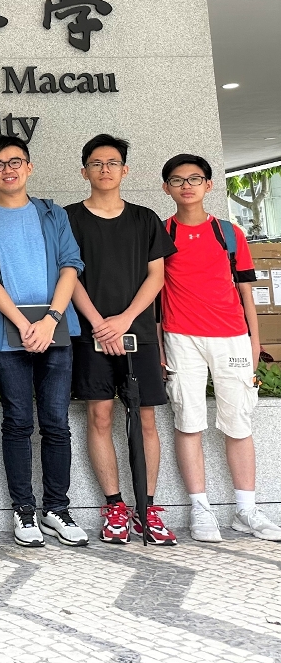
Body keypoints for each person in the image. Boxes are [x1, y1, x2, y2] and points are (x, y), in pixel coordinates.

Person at [0, 136, 88, 547]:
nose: (8, 170)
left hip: (56, 329)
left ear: (29, 167)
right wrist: (22, 323)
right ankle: (24, 510)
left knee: (56, 422)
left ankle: (57, 508)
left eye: (15, 162)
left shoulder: (52, 212)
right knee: (17, 421)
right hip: (7, 332)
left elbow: (70, 265)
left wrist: (51, 319)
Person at [160, 153, 281, 542]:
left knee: (239, 422)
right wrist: (160, 344)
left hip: (232, 337)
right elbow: (157, 293)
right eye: (177, 180)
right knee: (188, 421)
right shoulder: (162, 233)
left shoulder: (229, 233)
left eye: (195, 179)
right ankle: (201, 508)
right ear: (166, 188)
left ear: (209, 185)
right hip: (181, 337)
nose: (187, 186)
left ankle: (246, 510)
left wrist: (255, 341)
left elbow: (246, 291)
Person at [66, 135, 177, 544]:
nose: (105, 169)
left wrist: (126, 320)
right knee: (99, 416)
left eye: (112, 162)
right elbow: (68, 276)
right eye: (96, 163)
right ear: (84, 171)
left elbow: (157, 276)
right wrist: (100, 324)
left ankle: (147, 509)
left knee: (145, 418)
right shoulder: (69, 218)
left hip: (139, 334)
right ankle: (114, 506)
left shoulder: (145, 219)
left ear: (125, 170)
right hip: (90, 333)